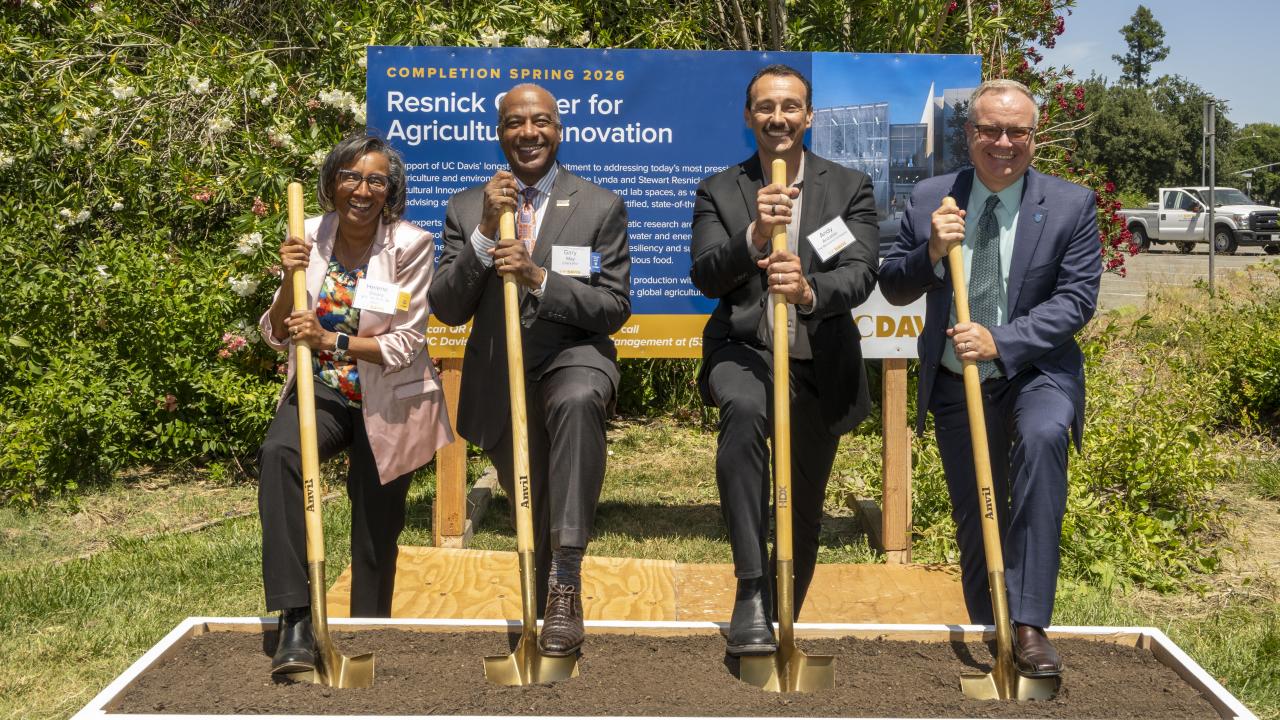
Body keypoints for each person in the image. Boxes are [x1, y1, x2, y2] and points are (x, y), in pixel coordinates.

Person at [879, 79, 1102, 678]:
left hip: (1037, 372)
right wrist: (929, 252)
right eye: (990, 130)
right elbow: (894, 284)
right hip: (957, 381)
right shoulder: (932, 196)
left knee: (1042, 439)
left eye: (1017, 131)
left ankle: (1028, 626)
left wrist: (1000, 340)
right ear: (969, 134)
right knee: (975, 509)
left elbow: (1077, 300)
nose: (1004, 142)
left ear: (1034, 137)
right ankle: (991, 622)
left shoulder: (1070, 205)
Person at [428, 83, 631, 657]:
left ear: (559, 129)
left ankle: (564, 581)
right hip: (502, 378)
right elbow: (446, 306)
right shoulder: (468, 207)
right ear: (500, 133)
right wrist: (487, 236)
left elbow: (613, 307)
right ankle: (547, 594)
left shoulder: (598, 206)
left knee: (575, 401)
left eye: (540, 121)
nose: (528, 133)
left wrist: (541, 279)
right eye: (516, 123)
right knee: (536, 497)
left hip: (574, 361)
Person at [689, 64, 879, 656]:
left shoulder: (849, 187)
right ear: (749, 116)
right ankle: (749, 590)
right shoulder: (721, 190)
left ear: (809, 115)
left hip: (819, 360)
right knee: (744, 416)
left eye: (791, 106)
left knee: (805, 495)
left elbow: (862, 270)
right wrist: (750, 239)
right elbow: (704, 275)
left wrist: (809, 291)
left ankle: (782, 609)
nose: (779, 118)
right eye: (766, 107)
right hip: (743, 350)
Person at [256, 134, 453, 675]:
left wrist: (331, 341)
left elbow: (404, 344)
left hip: (390, 399)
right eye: (350, 176)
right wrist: (287, 281)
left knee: (375, 529)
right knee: (281, 455)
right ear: (332, 182)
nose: (361, 189)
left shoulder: (409, 245)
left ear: (390, 191)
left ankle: (370, 630)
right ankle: (296, 619)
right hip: (322, 391)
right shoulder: (309, 235)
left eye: (375, 180)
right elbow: (276, 333)